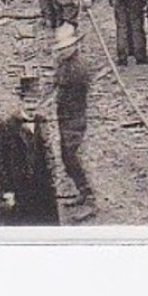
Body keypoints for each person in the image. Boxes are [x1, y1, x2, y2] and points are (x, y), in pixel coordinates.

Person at [0, 75, 60, 226]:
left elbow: (48, 154)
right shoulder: (7, 126)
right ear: (20, 102)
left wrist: (52, 180)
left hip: (42, 187)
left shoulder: (42, 121)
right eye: (28, 102)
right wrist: (7, 190)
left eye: (35, 101)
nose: (31, 106)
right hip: (20, 188)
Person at [53, 24, 96, 219]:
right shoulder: (65, 63)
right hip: (65, 115)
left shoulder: (78, 68)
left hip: (74, 116)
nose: (61, 52)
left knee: (73, 156)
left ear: (73, 46)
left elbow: (69, 91)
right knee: (66, 156)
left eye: (64, 48)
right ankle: (82, 192)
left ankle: (90, 199)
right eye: (60, 49)